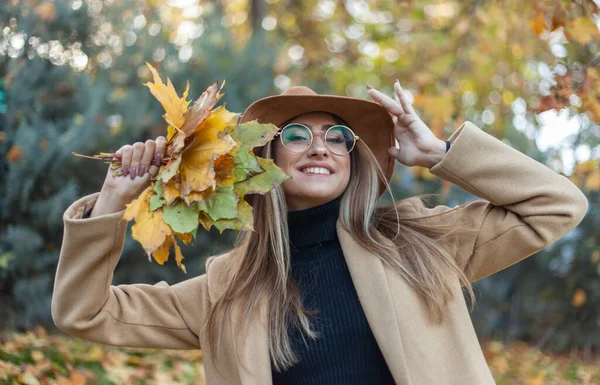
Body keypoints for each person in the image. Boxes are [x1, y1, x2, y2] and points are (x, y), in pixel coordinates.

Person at [51, 80, 588, 385]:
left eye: (338, 137)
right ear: (268, 157)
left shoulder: (422, 244)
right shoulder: (226, 289)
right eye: (297, 134)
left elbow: (557, 205)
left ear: (352, 160)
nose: (321, 146)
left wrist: (442, 155)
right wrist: (114, 201)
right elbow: (84, 312)